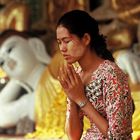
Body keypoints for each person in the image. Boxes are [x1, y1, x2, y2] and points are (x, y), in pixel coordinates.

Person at [56, 10, 134, 140]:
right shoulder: (79, 77)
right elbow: (73, 136)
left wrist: (81, 100)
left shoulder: (111, 74)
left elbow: (117, 137)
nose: (62, 48)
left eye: (67, 41)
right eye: (59, 42)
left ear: (86, 39)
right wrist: (72, 96)